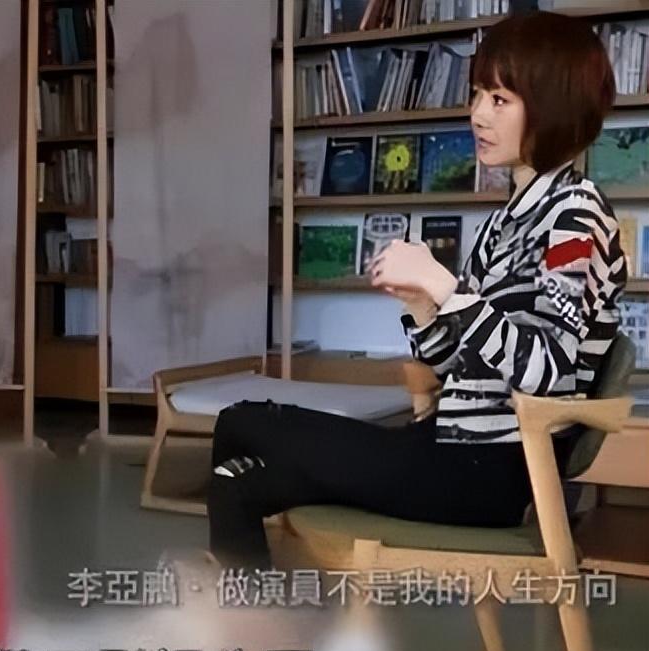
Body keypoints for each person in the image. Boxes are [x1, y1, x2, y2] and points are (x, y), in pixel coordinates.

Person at [207, 11, 624, 568]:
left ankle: (241, 615)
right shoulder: (505, 222)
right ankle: (249, 617)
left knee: (243, 422)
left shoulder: (575, 217)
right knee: (237, 482)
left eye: (499, 100)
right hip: (448, 446)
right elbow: (456, 365)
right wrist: (424, 307)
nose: (477, 114)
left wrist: (444, 286)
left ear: (554, 107)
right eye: (477, 95)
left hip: (489, 468)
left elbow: (549, 372)